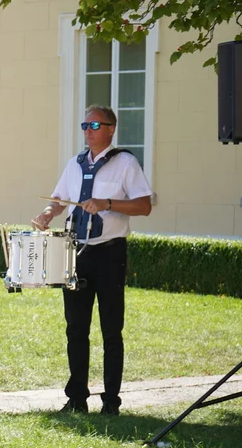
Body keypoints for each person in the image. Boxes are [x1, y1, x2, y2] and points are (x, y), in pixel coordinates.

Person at [32, 104, 153, 416]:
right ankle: (76, 399)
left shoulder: (125, 162)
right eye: (85, 125)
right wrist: (48, 213)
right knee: (75, 328)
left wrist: (107, 203)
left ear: (111, 129)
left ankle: (111, 402)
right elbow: (59, 200)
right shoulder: (75, 163)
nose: (88, 130)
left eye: (95, 125)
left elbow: (144, 206)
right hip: (76, 251)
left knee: (111, 330)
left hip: (110, 252)